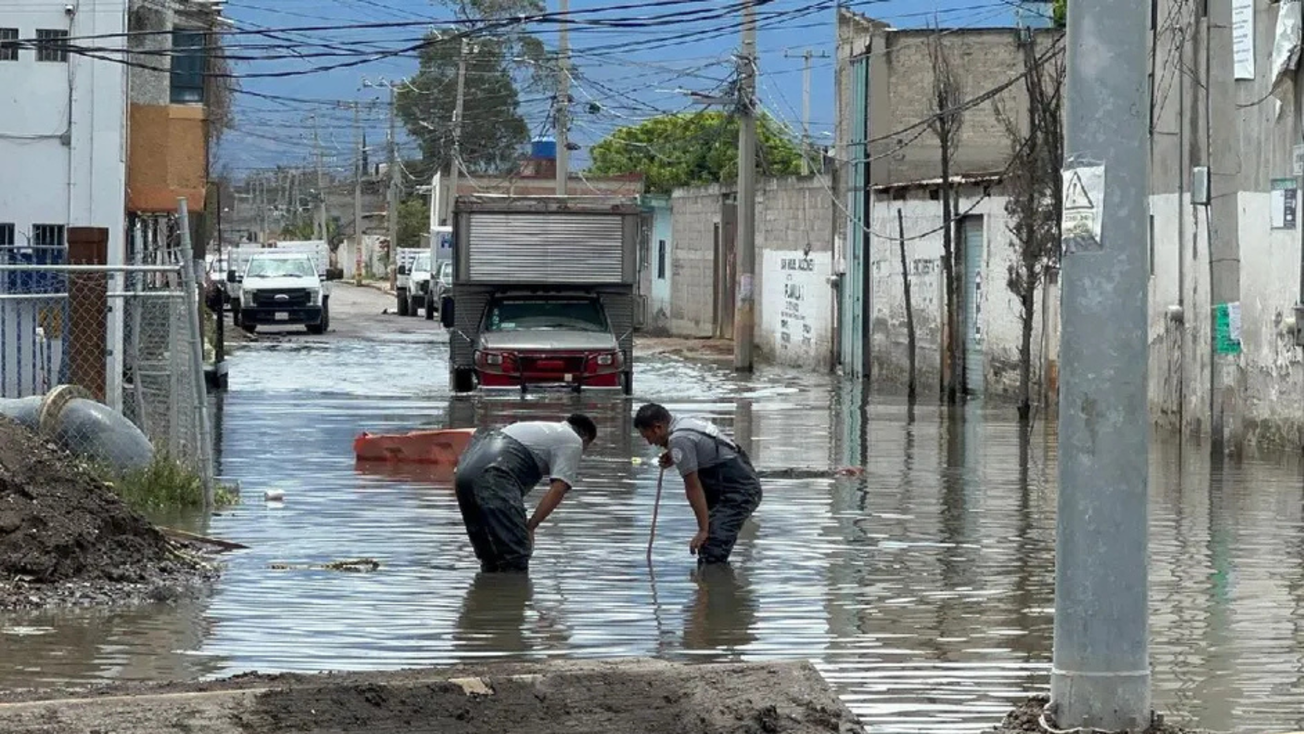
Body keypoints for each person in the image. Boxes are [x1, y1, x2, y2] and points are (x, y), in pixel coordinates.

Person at [454, 414, 597, 572]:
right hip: (494, 476)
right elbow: (558, 488)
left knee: (491, 556)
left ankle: (488, 593)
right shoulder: (573, 440)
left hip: (464, 474)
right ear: (585, 437)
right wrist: (531, 526)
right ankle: (514, 594)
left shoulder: (536, 428)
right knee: (516, 555)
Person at [633, 403, 762, 565]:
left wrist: (703, 530)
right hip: (740, 478)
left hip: (738, 491)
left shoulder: (679, 440)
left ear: (657, 428)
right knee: (711, 545)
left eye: (647, 437)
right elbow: (705, 446)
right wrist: (675, 455)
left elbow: (693, 488)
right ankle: (716, 586)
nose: (650, 443)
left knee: (711, 550)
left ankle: (714, 585)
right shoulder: (683, 423)